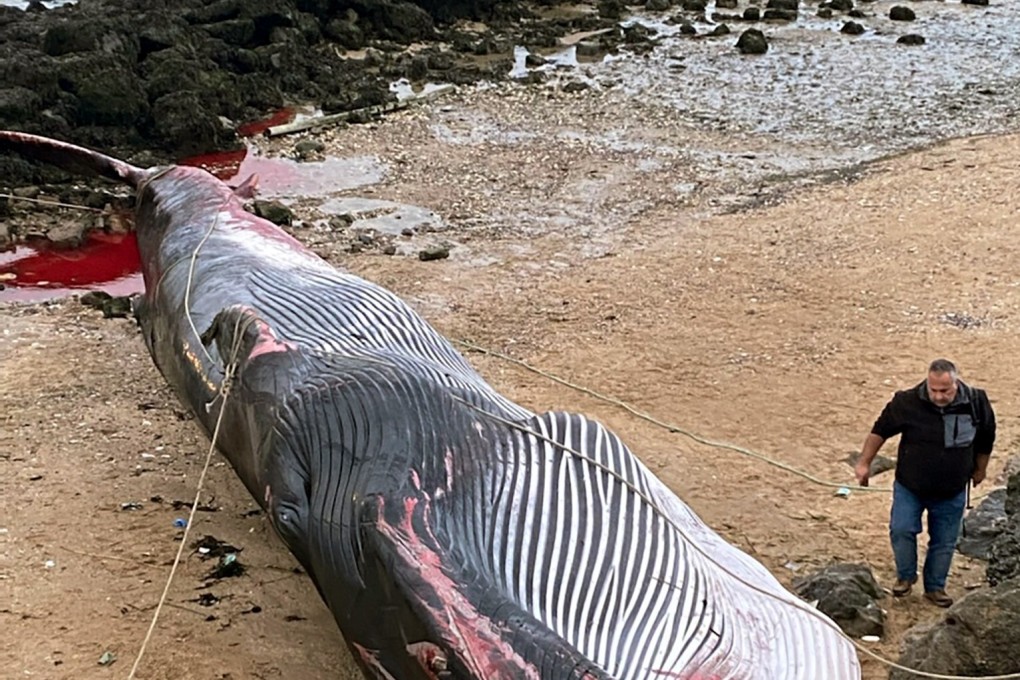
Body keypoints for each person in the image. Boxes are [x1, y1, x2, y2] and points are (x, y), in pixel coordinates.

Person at [855, 359, 995, 608]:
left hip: (952, 489)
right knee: (901, 530)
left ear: (956, 383)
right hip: (911, 486)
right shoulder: (906, 402)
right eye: (934, 390)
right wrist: (864, 463)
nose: (939, 396)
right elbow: (880, 431)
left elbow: (986, 438)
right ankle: (905, 576)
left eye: (945, 390)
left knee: (944, 542)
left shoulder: (976, 401)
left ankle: (935, 588)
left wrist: (980, 470)